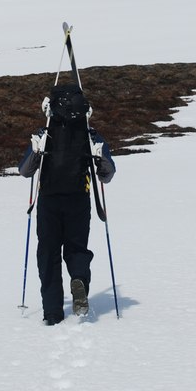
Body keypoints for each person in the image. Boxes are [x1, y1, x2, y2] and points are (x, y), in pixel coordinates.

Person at [19, 82, 115, 324]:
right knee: (76, 248)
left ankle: (52, 314)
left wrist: (37, 149)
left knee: (48, 253)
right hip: (79, 200)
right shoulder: (90, 135)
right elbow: (107, 174)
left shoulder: (44, 134)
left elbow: (25, 171)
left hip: (49, 201)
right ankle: (79, 278)